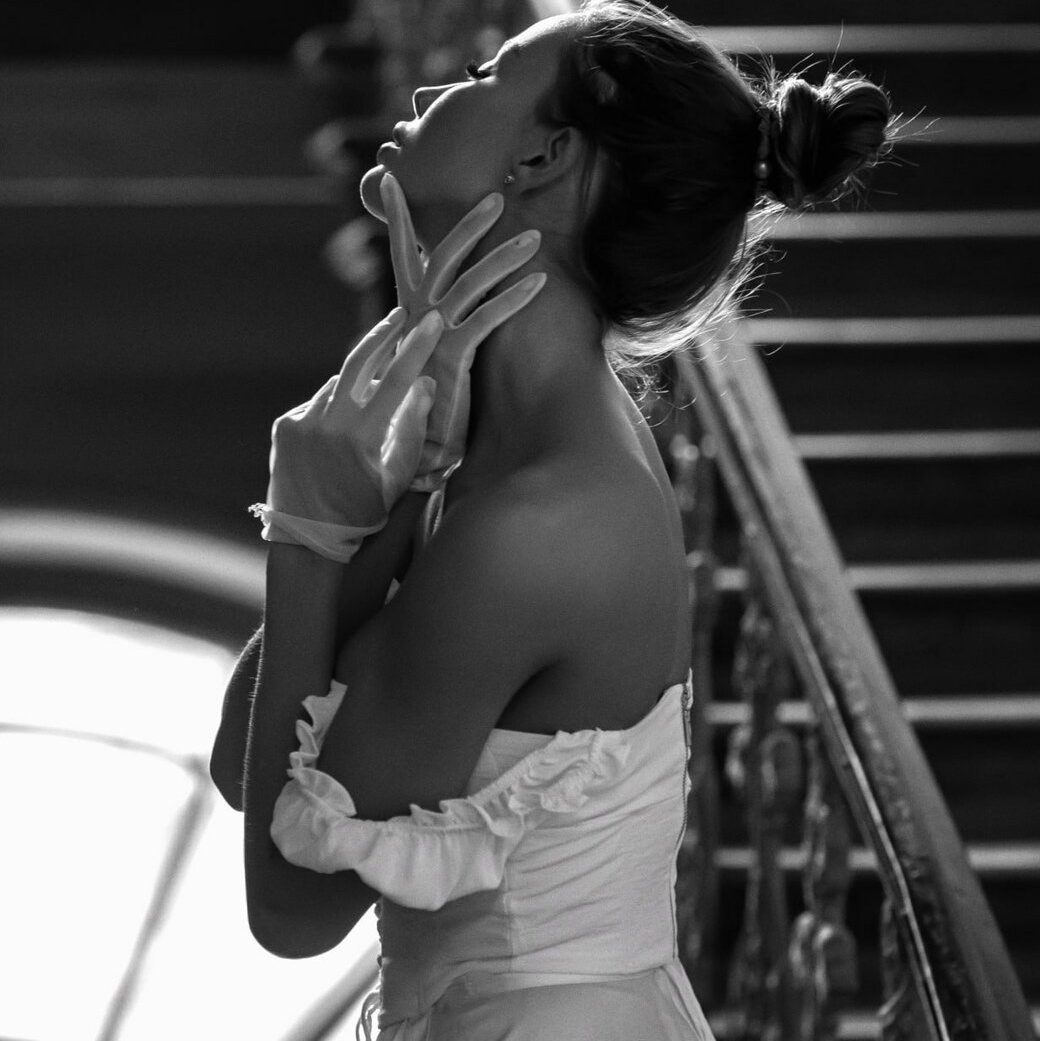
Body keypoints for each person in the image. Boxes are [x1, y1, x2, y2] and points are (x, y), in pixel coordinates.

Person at [210, 2, 892, 1037]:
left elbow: (292, 910)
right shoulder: (502, 450)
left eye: (484, 76)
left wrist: (304, 544)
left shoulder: (540, 519)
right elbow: (245, 765)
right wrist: (391, 498)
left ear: (545, 156)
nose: (432, 89)